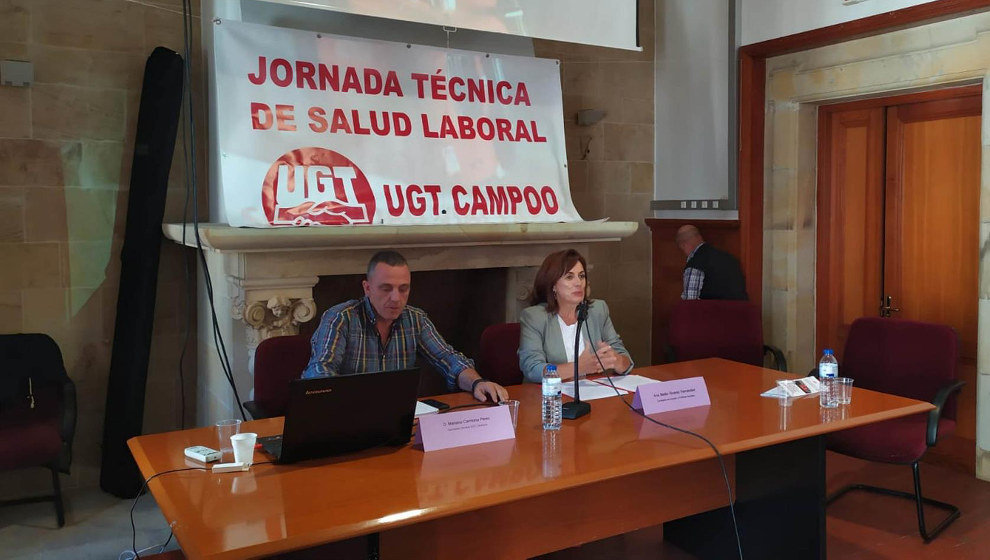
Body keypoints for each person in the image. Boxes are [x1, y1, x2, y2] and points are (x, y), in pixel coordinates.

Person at [302, 250, 508, 403]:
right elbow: (321, 374)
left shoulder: (415, 319)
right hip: (347, 417)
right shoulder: (340, 318)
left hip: (397, 420)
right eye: (386, 289)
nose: (396, 298)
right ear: (367, 288)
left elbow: (449, 359)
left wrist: (478, 383)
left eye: (403, 289)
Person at [518, 249, 633, 383]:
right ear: (553, 285)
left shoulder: (597, 310)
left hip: (591, 393)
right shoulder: (534, 317)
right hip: (550, 397)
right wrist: (578, 367)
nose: (578, 283)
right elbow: (532, 369)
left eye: (582, 276)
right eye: (569, 277)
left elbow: (626, 360)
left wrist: (616, 361)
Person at [676, 224, 748, 300]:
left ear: (682, 245)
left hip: (711, 311)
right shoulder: (729, 258)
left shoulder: (695, 264)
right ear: (700, 237)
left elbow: (690, 302)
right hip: (737, 310)